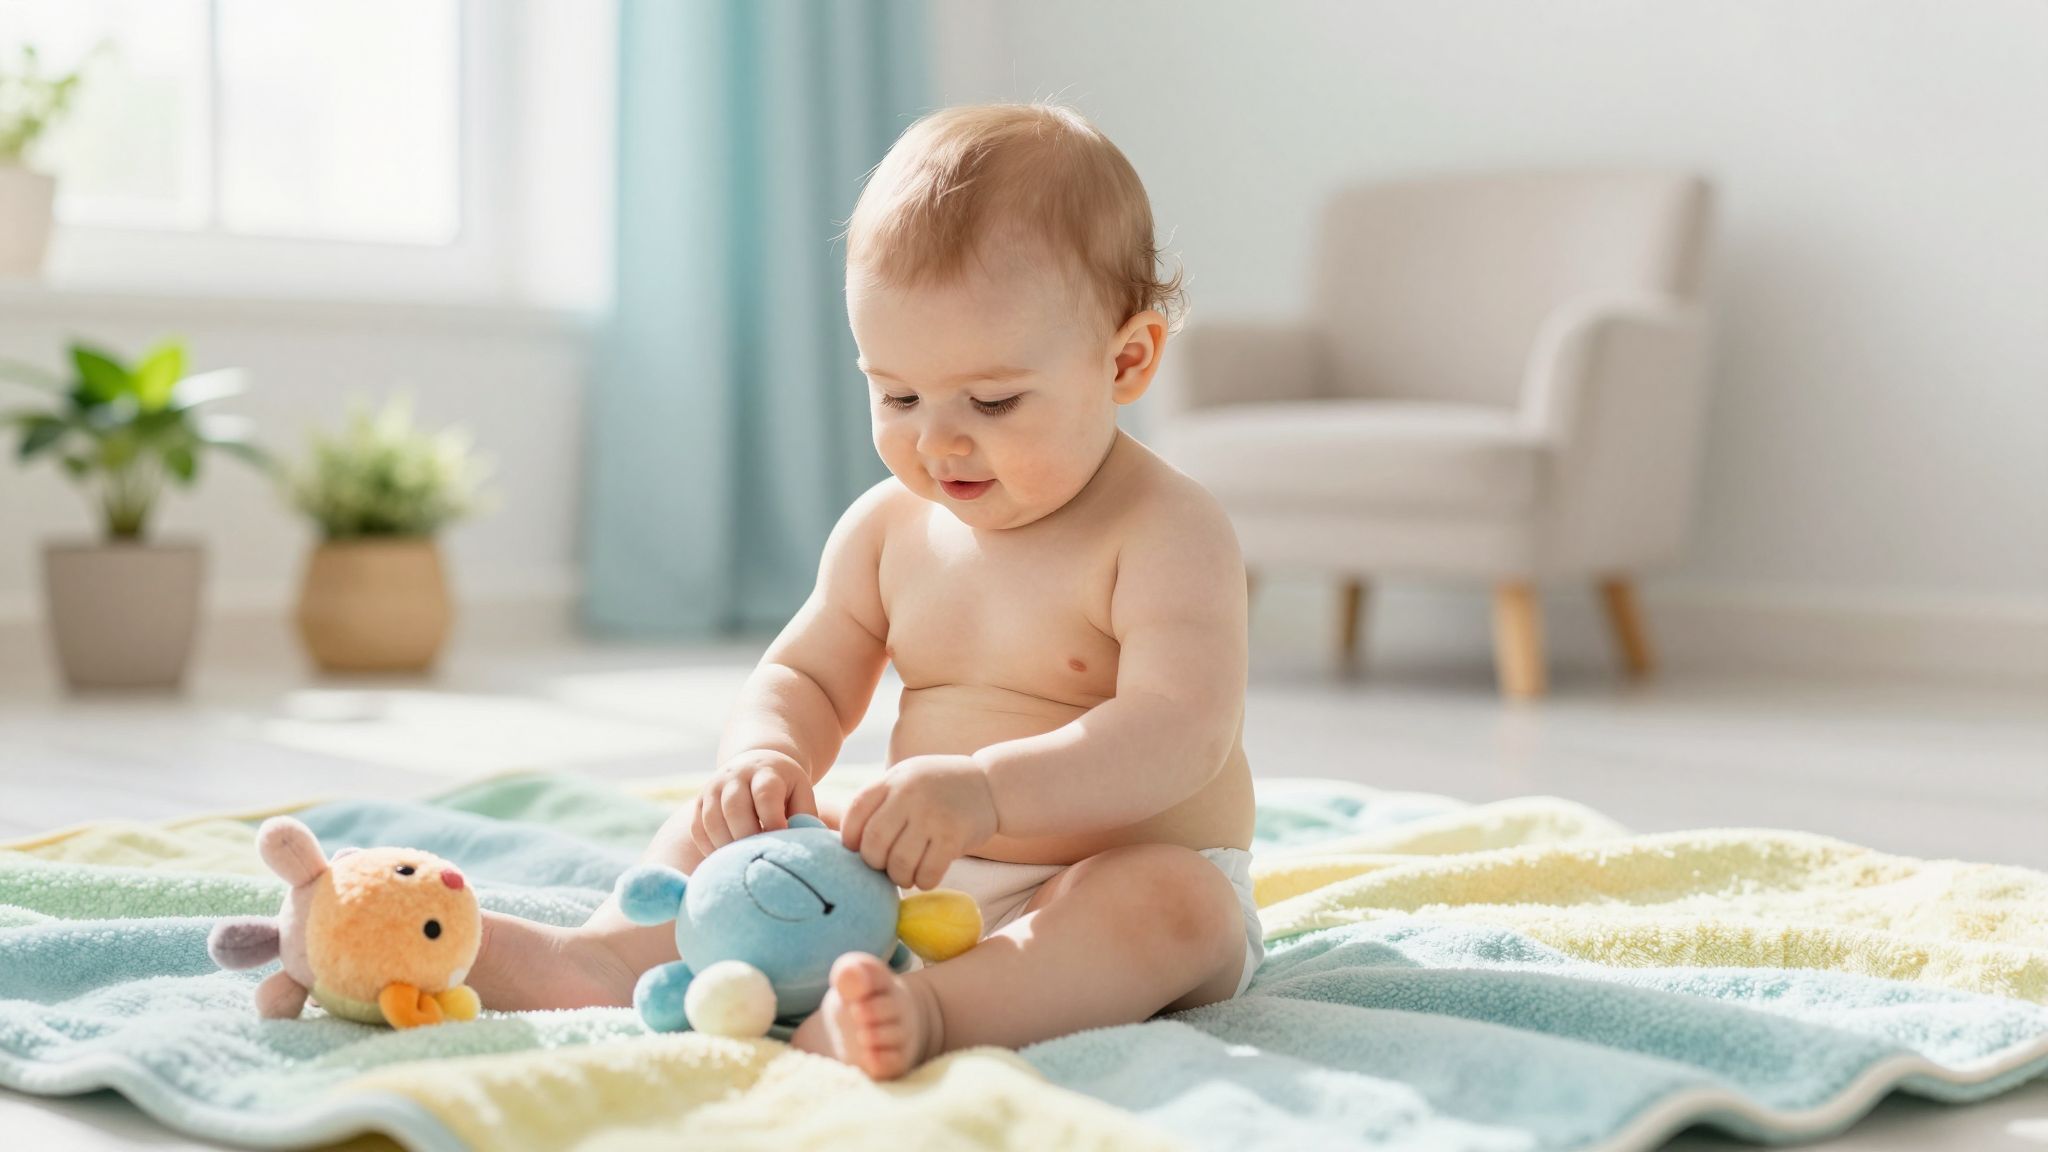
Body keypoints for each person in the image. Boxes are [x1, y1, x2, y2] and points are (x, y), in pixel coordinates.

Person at [471, 102, 1263, 1081]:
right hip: (904, 872)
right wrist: (763, 758)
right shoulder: (887, 527)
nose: (937, 440)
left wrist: (987, 791)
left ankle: (933, 1012)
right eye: (897, 396)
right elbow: (806, 671)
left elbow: (1180, 731)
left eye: (993, 400)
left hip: (1098, 876)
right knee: (722, 832)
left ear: (1125, 359)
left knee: (1169, 911)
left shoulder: (1164, 531)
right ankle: (595, 956)